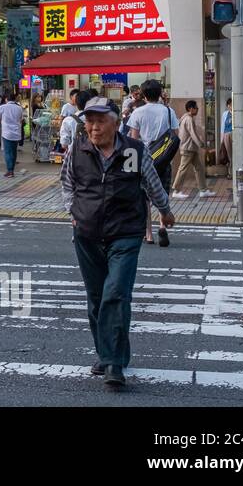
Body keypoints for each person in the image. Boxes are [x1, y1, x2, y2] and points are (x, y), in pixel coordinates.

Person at [62, 96, 174, 387]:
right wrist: (72, 213)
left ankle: (113, 364)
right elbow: (67, 184)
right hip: (86, 233)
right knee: (97, 297)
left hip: (125, 232)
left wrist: (165, 211)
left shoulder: (133, 150)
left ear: (115, 122)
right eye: (90, 121)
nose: (94, 127)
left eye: (100, 121)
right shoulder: (78, 149)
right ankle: (107, 353)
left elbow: (151, 182)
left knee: (115, 293)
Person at [125, 79, 179, 246]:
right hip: (163, 158)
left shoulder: (138, 113)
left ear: (144, 95)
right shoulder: (168, 111)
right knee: (163, 191)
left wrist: (130, 166)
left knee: (145, 197)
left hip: (145, 159)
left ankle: (148, 234)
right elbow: (176, 135)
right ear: (159, 93)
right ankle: (162, 225)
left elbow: (133, 140)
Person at [171, 100, 212, 199]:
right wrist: (201, 145)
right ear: (191, 109)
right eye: (196, 108)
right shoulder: (188, 119)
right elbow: (193, 134)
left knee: (199, 168)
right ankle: (176, 190)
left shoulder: (185, 118)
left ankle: (203, 190)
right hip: (188, 148)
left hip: (190, 148)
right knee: (183, 169)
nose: (197, 110)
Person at [0, 93, 26, 177]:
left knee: (8, 152)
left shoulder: (3, 107)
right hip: (16, 132)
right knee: (14, 151)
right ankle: (11, 169)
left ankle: (10, 170)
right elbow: (21, 119)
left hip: (7, 133)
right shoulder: (19, 108)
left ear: (6, 99)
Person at [220, 98, 233, 171]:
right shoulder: (225, 114)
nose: (231, 106)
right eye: (230, 105)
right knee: (229, 154)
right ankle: (230, 171)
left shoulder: (237, 113)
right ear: (228, 106)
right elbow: (223, 126)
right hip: (226, 135)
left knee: (235, 153)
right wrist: (222, 139)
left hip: (234, 135)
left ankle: (232, 170)